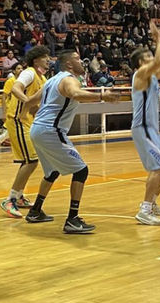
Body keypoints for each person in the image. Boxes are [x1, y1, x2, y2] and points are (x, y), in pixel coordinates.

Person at [25, 49, 121, 233]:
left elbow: (30, 101)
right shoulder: (69, 79)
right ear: (69, 64)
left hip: (37, 129)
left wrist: (26, 112)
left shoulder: (51, 80)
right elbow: (75, 94)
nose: (82, 61)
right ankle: (72, 219)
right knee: (81, 170)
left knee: (52, 172)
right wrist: (102, 96)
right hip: (51, 131)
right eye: (77, 59)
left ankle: (35, 211)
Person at [129, 22, 160, 225]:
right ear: (141, 62)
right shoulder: (140, 74)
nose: (152, 58)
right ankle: (144, 210)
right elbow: (159, 60)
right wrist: (158, 39)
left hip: (152, 130)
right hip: (143, 128)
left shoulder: (153, 76)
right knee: (158, 167)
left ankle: (153, 201)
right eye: (148, 56)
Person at [0, 47, 50, 216]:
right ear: (36, 60)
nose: (48, 60)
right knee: (32, 160)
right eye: (45, 57)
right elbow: (16, 89)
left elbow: (36, 105)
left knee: (28, 161)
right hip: (17, 120)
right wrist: (28, 101)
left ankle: (19, 196)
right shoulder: (29, 73)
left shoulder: (42, 78)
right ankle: (10, 200)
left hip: (28, 122)